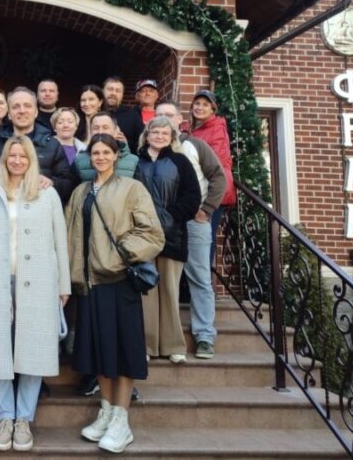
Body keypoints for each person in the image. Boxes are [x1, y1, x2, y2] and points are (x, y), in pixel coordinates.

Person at [0, 136, 71, 453]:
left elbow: (60, 240)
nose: (16, 160)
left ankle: (24, 418)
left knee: (33, 350)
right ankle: (4, 418)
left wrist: (63, 285)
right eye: (11, 155)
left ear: (31, 159)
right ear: (4, 159)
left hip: (38, 281)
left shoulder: (47, 193)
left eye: (22, 156)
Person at [66, 134, 164, 454]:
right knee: (99, 352)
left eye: (106, 152)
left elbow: (151, 233)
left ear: (116, 156)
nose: (100, 157)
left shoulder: (132, 188)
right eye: (95, 152)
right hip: (88, 284)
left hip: (119, 281)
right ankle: (106, 412)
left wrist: (118, 254)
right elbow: (69, 236)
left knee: (122, 352)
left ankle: (122, 420)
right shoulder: (81, 192)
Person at [156, 101, 226, 360]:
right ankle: (164, 337)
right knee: (164, 280)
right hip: (163, 224)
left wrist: (207, 210)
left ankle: (205, 335)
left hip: (194, 222)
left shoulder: (194, 145)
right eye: (159, 115)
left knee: (199, 277)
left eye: (169, 115)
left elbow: (218, 176)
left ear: (179, 120)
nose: (164, 119)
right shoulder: (150, 150)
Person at [134, 117, 201, 364]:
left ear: (171, 137)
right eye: (155, 132)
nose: (159, 136)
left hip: (172, 235)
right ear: (147, 134)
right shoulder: (135, 161)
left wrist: (171, 216)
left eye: (165, 133)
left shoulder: (180, 161)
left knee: (170, 292)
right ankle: (147, 345)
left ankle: (174, 345)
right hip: (142, 235)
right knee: (147, 294)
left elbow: (192, 196)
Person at [0, 87, 75, 205]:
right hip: (2, 212)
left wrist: (52, 182)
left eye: (27, 106)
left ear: (36, 112)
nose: (22, 110)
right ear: (9, 114)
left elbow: (68, 184)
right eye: (16, 106)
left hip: (39, 212)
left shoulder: (52, 145)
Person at [184, 89, 237, 260]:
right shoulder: (191, 129)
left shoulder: (217, 129)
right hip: (198, 189)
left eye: (205, 105)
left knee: (205, 237)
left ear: (213, 109)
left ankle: (204, 273)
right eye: (197, 104)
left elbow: (216, 161)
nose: (200, 107)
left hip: (214, 191)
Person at [73, 112, 138, 181]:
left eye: (105, 128)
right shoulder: (79, 160)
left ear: (115, 131)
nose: (100, 132)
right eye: (96, 128)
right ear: (90, 131)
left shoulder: (133, 161)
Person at [103, 77, 142, 154]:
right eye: (110, 89)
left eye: (118, 91)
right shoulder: (94, 114)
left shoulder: (133, 115)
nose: (113, 93)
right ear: (102, 91)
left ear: (122, 95)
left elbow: (141, 144)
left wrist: (125, 142)